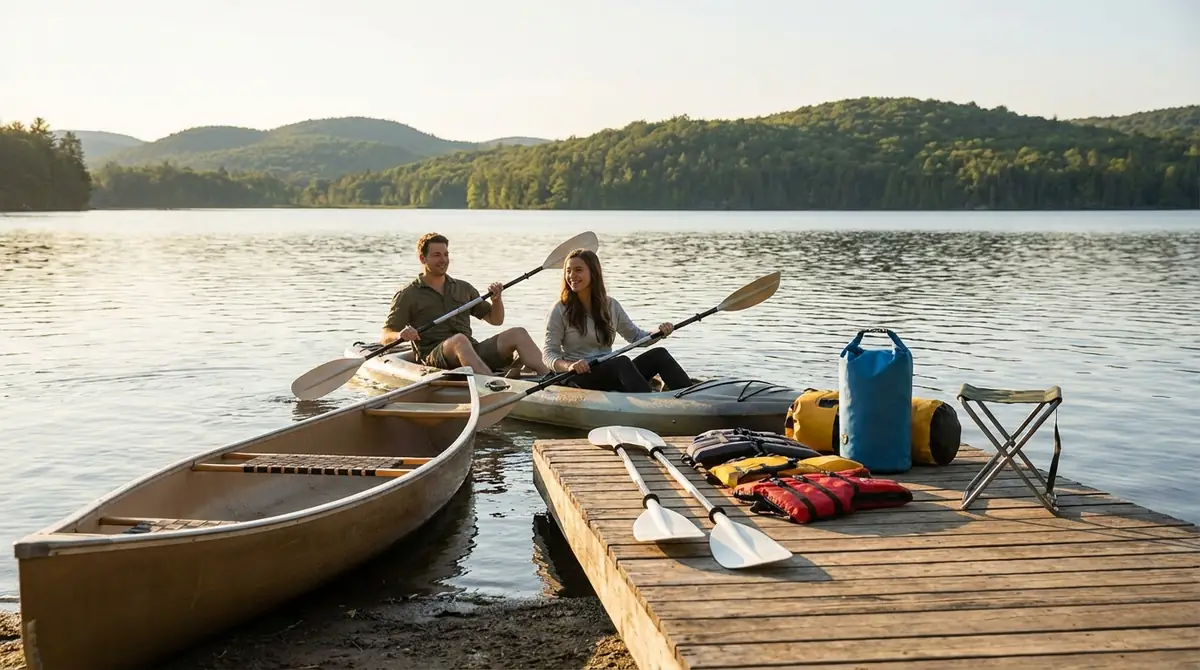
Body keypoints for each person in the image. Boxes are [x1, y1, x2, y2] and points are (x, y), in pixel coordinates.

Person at [382, 232, 552, 378]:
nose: (443, 260)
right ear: (422, 258)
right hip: (434, 358)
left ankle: (554, 381)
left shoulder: (463, 288)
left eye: (446, 254)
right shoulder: (408, 294)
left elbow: (495, 320)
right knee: (459, 340)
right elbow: (386, 335)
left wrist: (497, 300)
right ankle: (494, 384)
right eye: (437, 255)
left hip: (470, 350)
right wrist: (400, 335)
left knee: (518, 333)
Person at [541, 248, 693, 393]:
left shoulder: (611, 305)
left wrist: (660, 332)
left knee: (659, 355)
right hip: (580, 377)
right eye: (568, 271)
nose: (572, 275)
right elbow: (548, 354)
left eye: (578, 270)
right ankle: (651, 405)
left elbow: (637, 337)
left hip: (610, 372)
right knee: (622, 362)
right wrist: (570, 366)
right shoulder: (560, 309)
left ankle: (691, 396)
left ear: (593, 273)